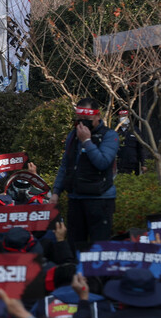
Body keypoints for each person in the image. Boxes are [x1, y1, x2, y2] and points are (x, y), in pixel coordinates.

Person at [52, 98, 119, 246]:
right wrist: (56, 191)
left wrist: (87, 142)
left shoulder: (109, 136)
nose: (83, 123)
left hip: (100, 199)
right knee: (75, 243)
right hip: (76, 198)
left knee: (99, 245)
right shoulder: (73, 135)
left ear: (97, 116)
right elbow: (66, 165)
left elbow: (102, 162)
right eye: (79, 119)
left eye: (87, 119)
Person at [115, 109, 145, 175]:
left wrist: (143, 164)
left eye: (125, 116)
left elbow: (140, 148)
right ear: (118, 118)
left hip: (133, 164)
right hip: (119, 164)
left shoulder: (135, 130)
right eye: (122, 116)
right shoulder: (115, 130)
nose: (124, 118)